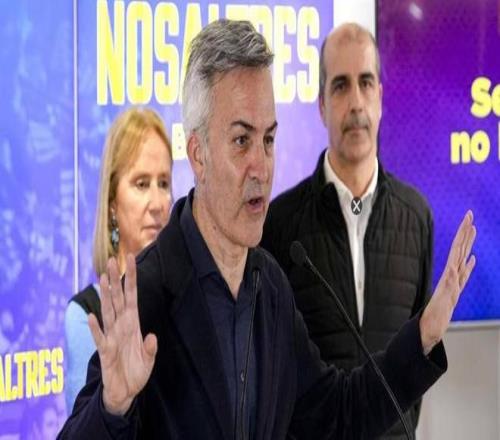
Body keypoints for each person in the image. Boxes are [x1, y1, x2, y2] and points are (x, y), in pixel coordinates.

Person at [58, 19, 476, 440]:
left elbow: (336, 413)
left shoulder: (270, 286)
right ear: (198, 155)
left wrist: (423, 336)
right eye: (242, 141)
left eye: (269, 140)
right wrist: (113, 407)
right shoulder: (147, 293)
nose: (261, 166)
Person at [261, 23, 432, 438]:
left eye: (365, 83)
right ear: (321, 105)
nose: (356, 102)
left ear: (380, 99)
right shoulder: (280, 224)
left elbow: (418, 355)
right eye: (340, 86)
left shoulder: (416, 217)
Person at [64, 107, 173, 411]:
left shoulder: (188, 295)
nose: (157, 203)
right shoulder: (86, 316)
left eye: (164, 183)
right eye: (142, 183)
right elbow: (82, 427)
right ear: (113, 202)